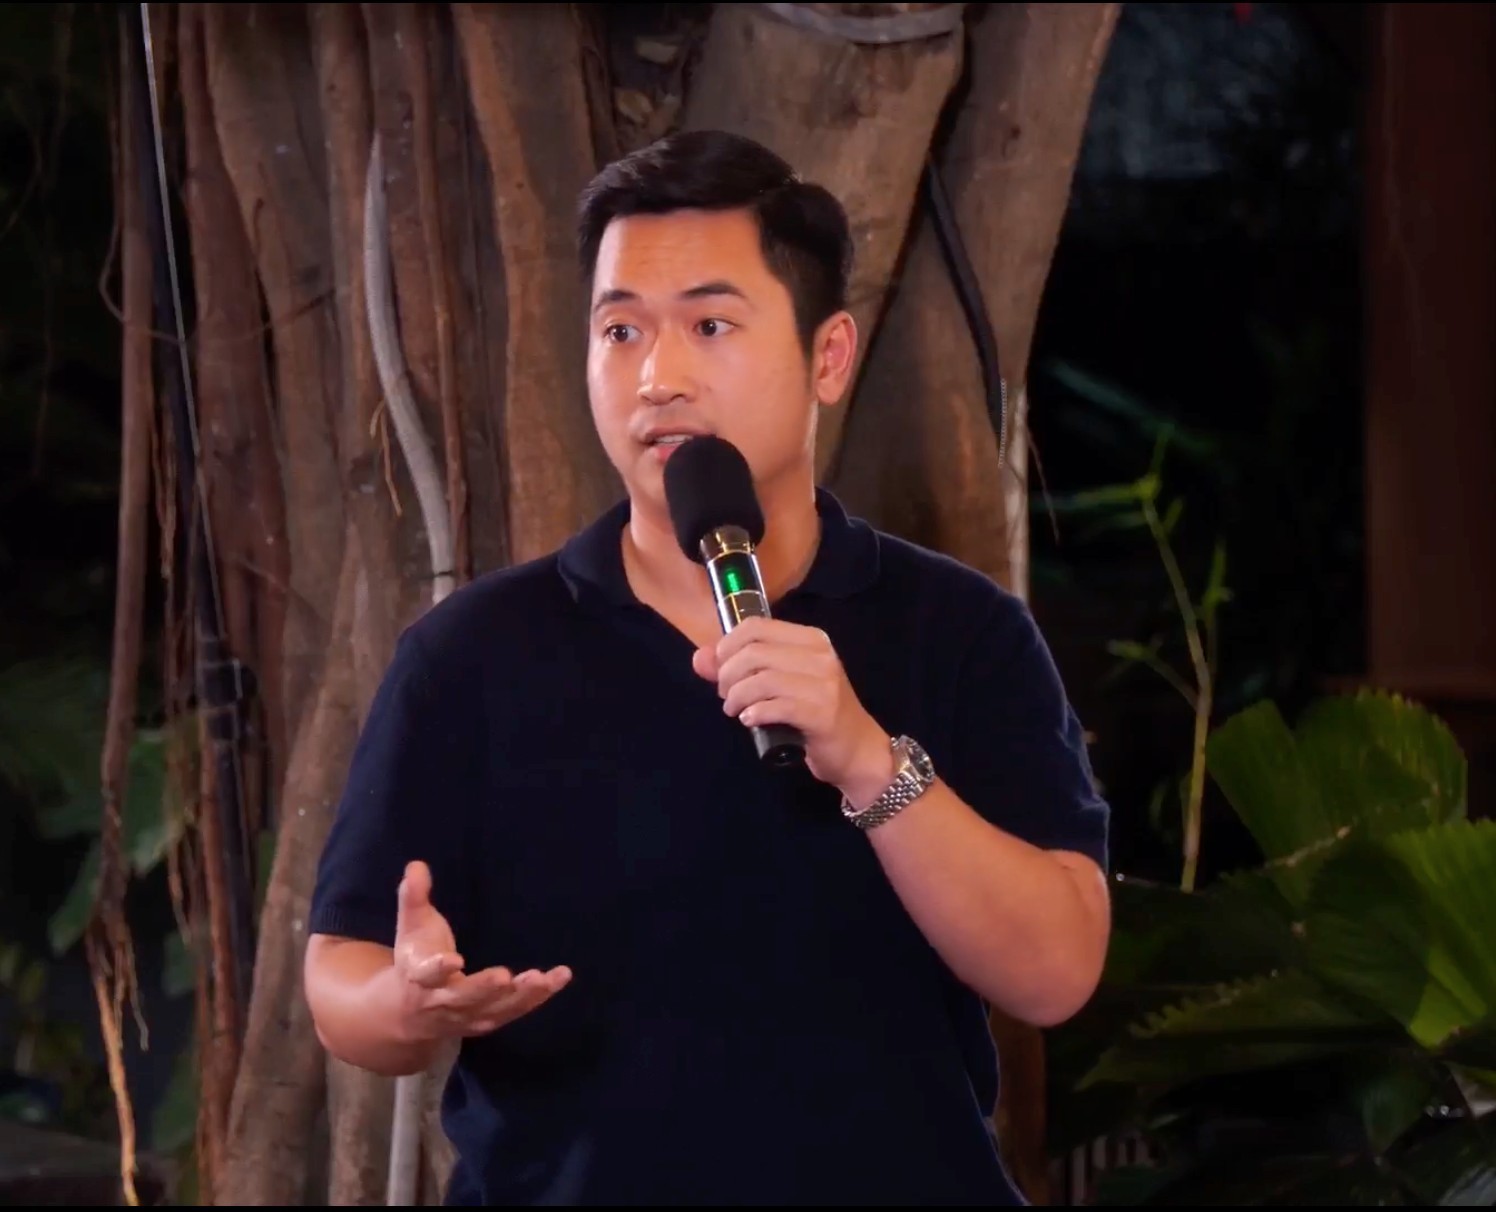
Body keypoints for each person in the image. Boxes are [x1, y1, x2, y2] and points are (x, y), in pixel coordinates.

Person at [304, 129, 1111, 1206]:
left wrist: (871, 762)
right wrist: (405, 1007)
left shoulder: (962, 630)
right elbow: (341, 973)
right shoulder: (472, 655)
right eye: (621, 330)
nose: (657, 377)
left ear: (828, 357)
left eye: (709, 325)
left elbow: (1056, 971)